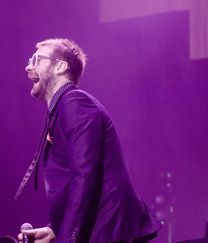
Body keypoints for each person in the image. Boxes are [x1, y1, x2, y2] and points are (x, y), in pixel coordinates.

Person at [17, 38, 161, 242]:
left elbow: (84, 176)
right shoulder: (63, 108)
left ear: (60, 66)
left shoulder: (75, 103)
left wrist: (68, 238)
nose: (28, 66)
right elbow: (74, 181)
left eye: (37, 60)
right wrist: (55, 230)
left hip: (110, 232)